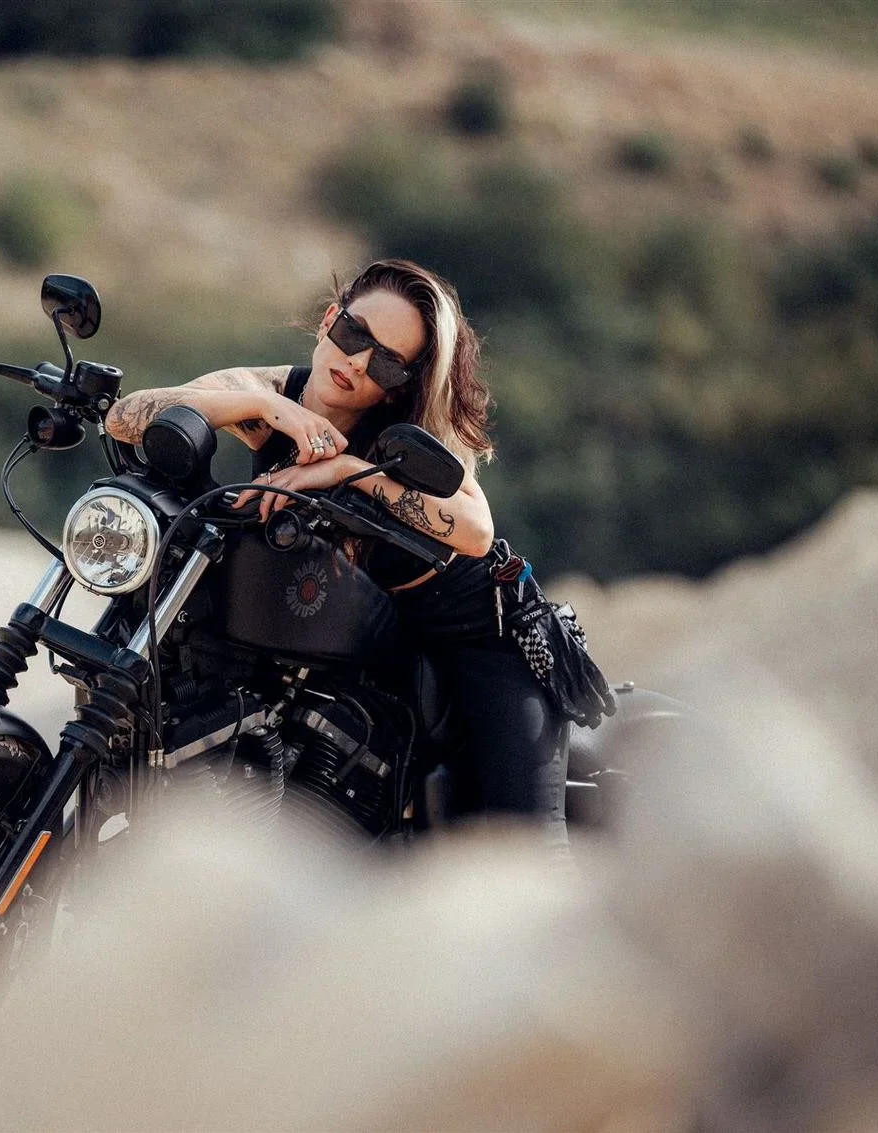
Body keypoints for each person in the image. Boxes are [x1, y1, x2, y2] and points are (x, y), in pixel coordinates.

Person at [104, 259, 615, 837]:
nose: (358, 362)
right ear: (330, 320)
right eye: (355, 334)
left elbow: (475, 530)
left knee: (524, 845)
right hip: (372, 629)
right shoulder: (275, 395)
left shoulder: (407, 439)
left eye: (390, 362)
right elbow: (127, 416)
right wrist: (265, 409)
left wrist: (348, 470)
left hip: (477, 636)